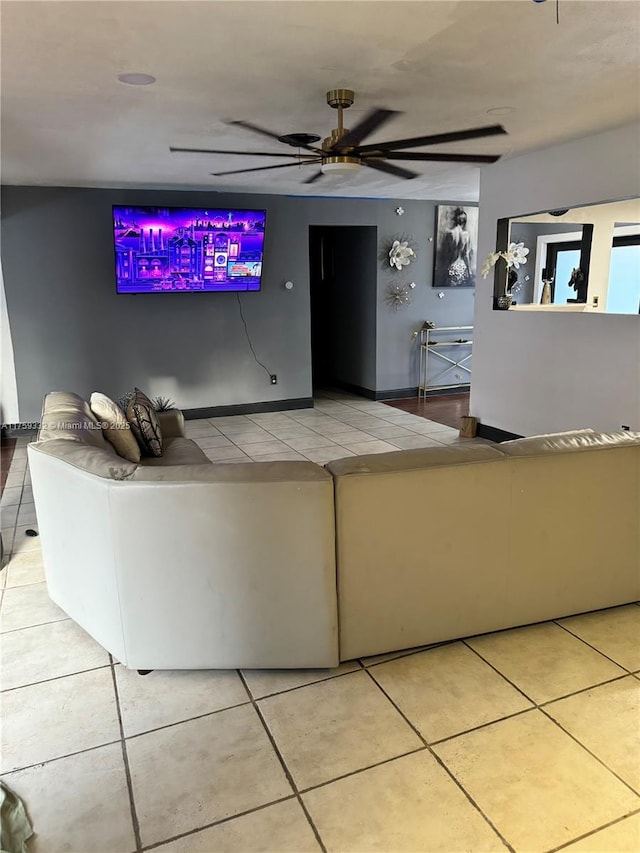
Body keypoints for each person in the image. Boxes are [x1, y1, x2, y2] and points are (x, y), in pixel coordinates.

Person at [439, 207, 473, 287]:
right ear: (464, 221)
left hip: (451, 265)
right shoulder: (466, 235)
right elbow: (465, 254)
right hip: (461, 265)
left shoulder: (450, 234)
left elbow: (447, 255)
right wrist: (469, 270)